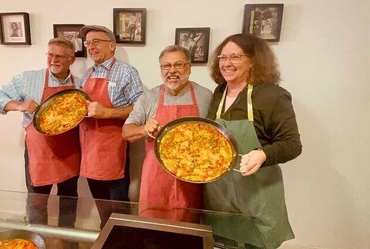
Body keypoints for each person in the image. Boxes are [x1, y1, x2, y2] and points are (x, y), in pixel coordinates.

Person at [203, 33, 302, 249]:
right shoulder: (219, 93)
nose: (227, 63)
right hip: (221, 196)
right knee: (223, 243)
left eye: (235, 57)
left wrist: (263, 153)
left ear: (253, 62)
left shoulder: (272, 96)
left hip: (257, 194)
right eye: (222, 57)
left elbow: (292, 144)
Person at [0, 38, 81, 245]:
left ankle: (69, 242)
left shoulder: (80, 84)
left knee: (69, 201)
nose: (53, 60)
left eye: (59, 56)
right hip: (39, 152)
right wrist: (20, 106)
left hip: (69, 150)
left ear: (71, 60)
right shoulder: (29, 78)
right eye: (50, 54)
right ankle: (38, 242)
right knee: (37, 202)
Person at [122, 45, 212, 222]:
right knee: (154, 233)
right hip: (156, 177)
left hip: (192, 177)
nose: (172, 71)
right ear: (161, 69)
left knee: (188, 230)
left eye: (178, 65)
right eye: (166, 66)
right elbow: (126, 132)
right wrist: (143, 129)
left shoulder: (205, 96)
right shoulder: (148, 97)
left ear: (189, 68)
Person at [78, 25, 143, 203]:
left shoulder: (126, 72)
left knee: (118, 205)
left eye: (96, 42)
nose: (90, 47)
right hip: (90, 148)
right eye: (88, 43)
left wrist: (106, 113)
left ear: (112, 45)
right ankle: (104, 230)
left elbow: (141, 109)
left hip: (113, 149)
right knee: (99, 201)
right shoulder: (86, 74)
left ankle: (119, 232)